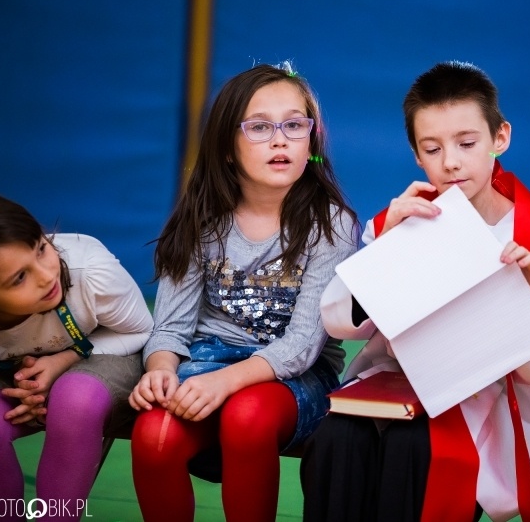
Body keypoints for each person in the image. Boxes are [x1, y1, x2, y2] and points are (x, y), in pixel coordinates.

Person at [300, 61, 530, 522]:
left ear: (501, 137)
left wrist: (528, 297)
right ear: (416, 154)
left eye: (467, 143)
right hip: (399, 384)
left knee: (417, 446)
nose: (450, 162)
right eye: (432, 148)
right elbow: (338, 319)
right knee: (338, 437)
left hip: (495, 398)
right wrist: (386, 252)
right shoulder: (402, 220)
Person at [128, 61, 358, 522]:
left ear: (311, 141)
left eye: (294, 125)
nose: (280, 139)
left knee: (247, 417)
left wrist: (226, 382)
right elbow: (171, 328)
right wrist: (159, 370)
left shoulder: (331, 225)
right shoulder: (200, 221)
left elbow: (300, 347)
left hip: (293, 377)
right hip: (206, 360)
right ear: (227, 148)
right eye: (259, 127)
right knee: (154, 434)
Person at [0, 192, 152, 522]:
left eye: (41, 248)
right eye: (19, 278)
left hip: (99, 356)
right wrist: (26, 389)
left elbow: (141, 330)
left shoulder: (88, 269)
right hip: (5, 375)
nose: (47, 275)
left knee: (75, 402)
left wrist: (64, 361)